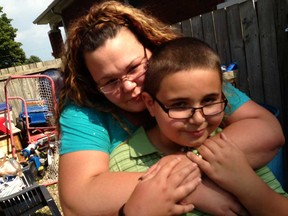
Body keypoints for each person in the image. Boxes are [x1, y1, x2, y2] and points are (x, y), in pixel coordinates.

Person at [57, 1, 284, 215]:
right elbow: (77, 200)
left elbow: (267, 130)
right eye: (109, 81)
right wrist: (192, 189)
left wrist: (186, 166)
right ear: (94, 86)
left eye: (135, 67)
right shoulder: (84, 111)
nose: (127, 86)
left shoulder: (186, 75)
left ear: (152, 47)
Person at [109, 37, 287, 215]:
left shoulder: (226, 146)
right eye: (179, 105)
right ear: (150, 104)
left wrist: (246, 184)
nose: (198, 119)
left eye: (209, 100)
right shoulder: (123, 162)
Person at [188, 133, 288, 216]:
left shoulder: (228, 150)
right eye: (180, 107)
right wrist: (186, 190)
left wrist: (246, 183)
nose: (199, 118)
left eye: (208, 107)